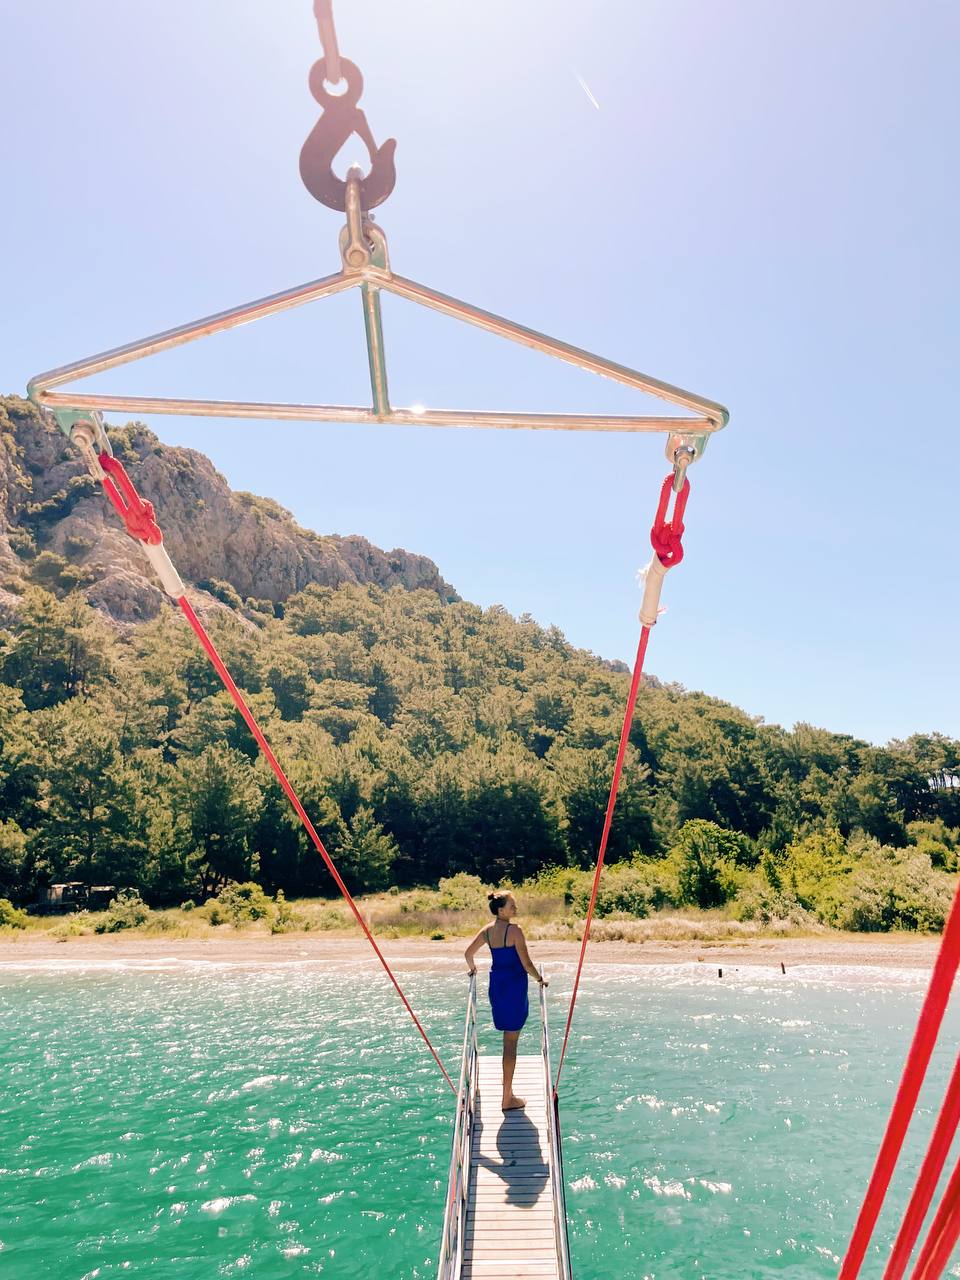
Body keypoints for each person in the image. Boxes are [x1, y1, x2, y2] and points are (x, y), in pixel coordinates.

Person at [464, 890, 547, 1111]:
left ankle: (506, 1078)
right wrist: (541, 979)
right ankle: (507, 1098)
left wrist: (473, 969)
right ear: (501, 910)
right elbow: (527, 964)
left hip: (497, 988)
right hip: (514, 988)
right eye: (512, 906)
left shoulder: (488, 931)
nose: (515, 908)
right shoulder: (515, 931)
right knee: (511, 1043)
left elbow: (468, 954)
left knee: (506, 1038)